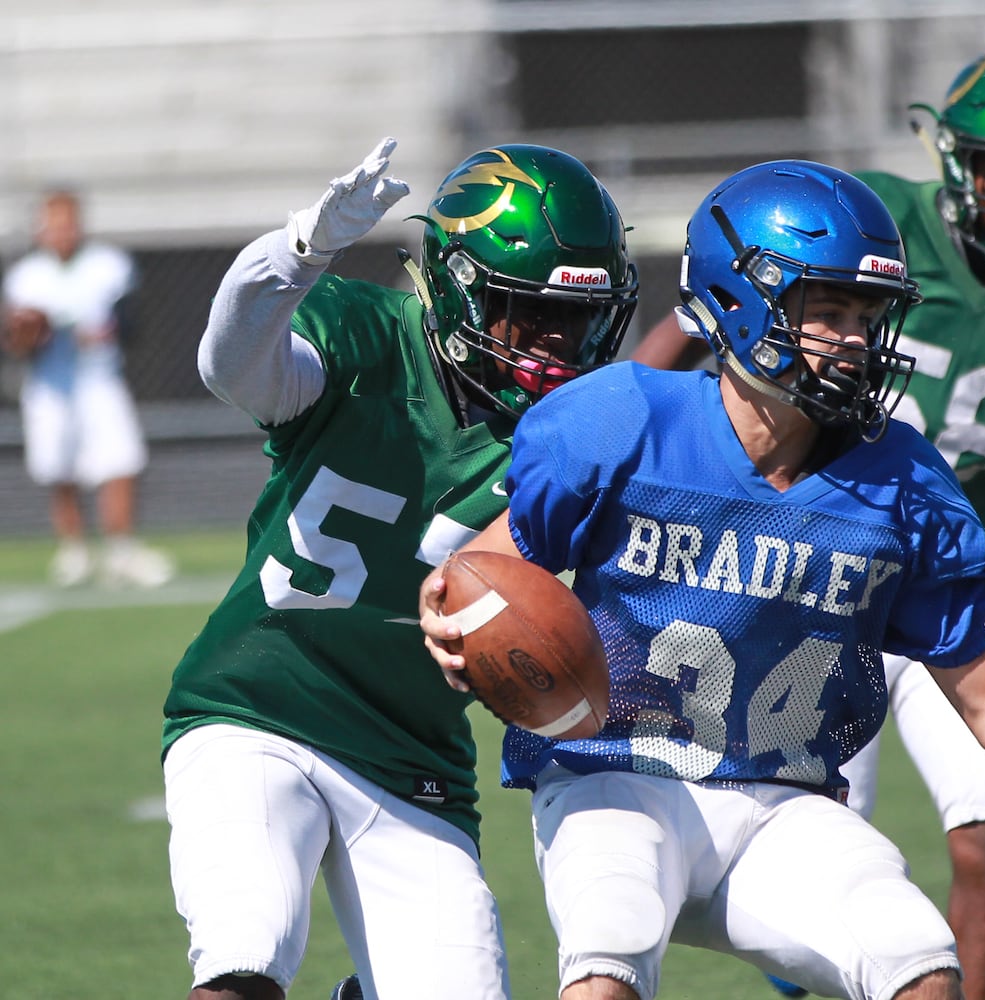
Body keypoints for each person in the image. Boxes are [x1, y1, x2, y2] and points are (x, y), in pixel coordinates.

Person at [630, 40, 985, 1000]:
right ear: (955, 163)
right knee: (801, 835)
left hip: (948, 586)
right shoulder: (868, 220)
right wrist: (642, 414)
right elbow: (703, 305)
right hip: (801, 574)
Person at [420, 159, 985, 1000]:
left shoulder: (900, 481)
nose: (858, 341)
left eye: (868, 316)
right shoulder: (625, 419)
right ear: (738, 300)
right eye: (828, 313)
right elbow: (485, 575)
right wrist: (453, 614)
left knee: (919, 962)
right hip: (616, 776)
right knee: (610, 952)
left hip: (783, 805)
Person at [161, 137, 638, 1000]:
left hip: (414, 760)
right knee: (244, 957)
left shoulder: (584, 433)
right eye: (533, 313)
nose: (562, 343)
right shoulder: (366, 338)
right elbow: (230, 366)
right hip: (256, 712)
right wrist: (299, 250)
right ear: (459, 292)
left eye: (583, 317)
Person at [1, 188, 175, 588]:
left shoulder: (107, 265)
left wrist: (104, 332)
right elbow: (16, 341)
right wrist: (32, 334)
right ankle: (74, 550)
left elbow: (131, 323)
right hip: (51, 386)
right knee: (58, 467)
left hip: (99, 380)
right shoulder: (27, 276)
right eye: (53, 224)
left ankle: (121, 549)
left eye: (68, 223)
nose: (61, 232)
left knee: (120, 462)